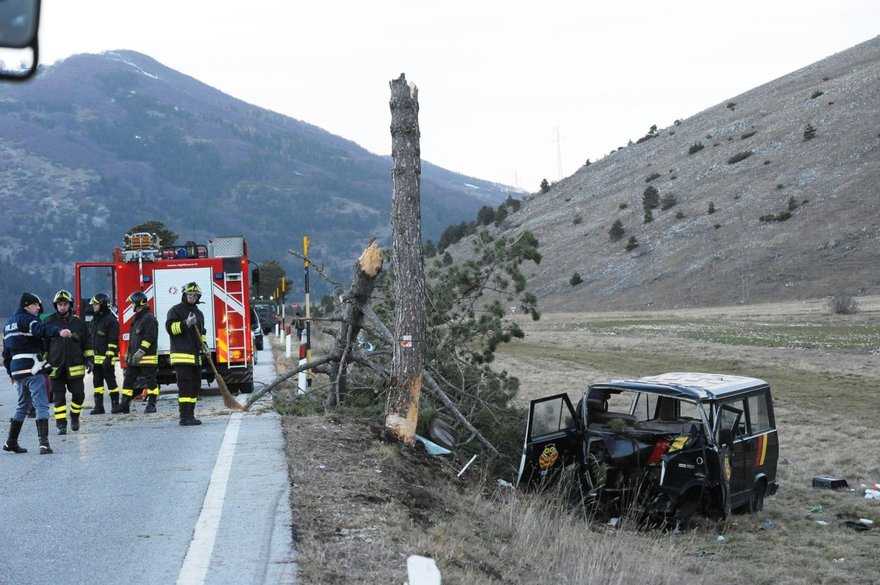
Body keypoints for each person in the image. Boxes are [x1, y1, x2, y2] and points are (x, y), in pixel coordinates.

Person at [3, 293, 72, 454]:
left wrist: (10, 373)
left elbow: (6, 353)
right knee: (41, 405)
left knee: (22, 406)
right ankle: (44, 444)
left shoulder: (8, 324)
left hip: (17, 369)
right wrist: (59, 332)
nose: (39, 308)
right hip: (32, 367)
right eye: (36, 305)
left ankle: (11, 442)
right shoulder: (28, 320)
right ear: (27, 305)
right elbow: (41, 330)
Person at [45, 290, 88, 435]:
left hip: (75, 366)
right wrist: (43, 362)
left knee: (79, 395)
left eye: (65, 304)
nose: (62, 307)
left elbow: (87, 343)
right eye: (59, 304)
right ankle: (61, 425)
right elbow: (44, 344)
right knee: (59, 399)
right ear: (55, 305)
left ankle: (75, 416)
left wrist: (90, 359)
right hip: (55, 366)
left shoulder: (78, 323)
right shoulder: (49, 321)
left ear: (70, 305)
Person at [165, 282, 206, 426]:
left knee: (195, 386)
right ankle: (184, 416)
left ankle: (191, 415)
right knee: (185, 387)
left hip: (195, 357)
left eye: (194, 295)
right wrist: (186, 323)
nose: (192, 297)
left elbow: (202, 333)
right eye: (189, 295)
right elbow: (170, 329)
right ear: (184, 295)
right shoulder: (175, 311)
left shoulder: (199, 313)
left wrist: (204, 345)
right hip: (181, 356)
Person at [119, 291, 159, 414]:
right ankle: (124, 404)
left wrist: (141, 351)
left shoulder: (149, 318)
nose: (131, 306)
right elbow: (133, 339)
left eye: (132, 303)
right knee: (128, 380)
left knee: (151, 382)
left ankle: (151, 404)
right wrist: (128, 353)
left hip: (147, 358)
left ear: (138, 303)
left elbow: (150, 337)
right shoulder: (137, 319)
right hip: (134, 358)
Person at [85, 293, 119, 414]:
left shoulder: (111, 320)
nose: (94, 306)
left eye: (96, 304)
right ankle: (99, 406)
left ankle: (115, 405)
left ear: (103, 304)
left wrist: (109, 357)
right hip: (96, 359)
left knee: (111, 381)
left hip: (107, 359)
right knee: (97, 383)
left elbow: (113, 340)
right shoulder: (95, 319)